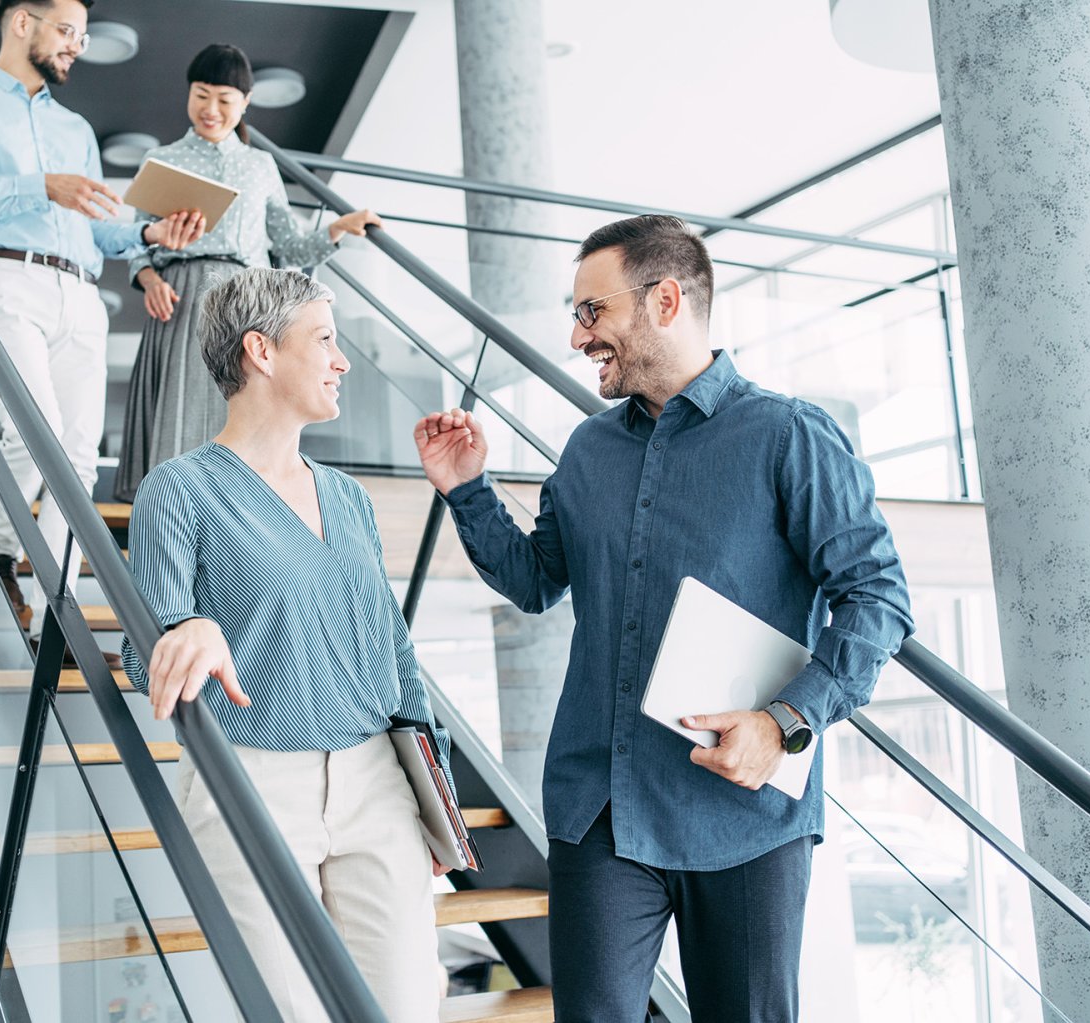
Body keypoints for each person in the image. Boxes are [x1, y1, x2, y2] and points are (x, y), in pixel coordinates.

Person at [414, 215, 914, 1022]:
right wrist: (466, 489)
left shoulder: (789, 437)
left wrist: (787, 720)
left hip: (744, 813)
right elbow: (539, 581)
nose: (579, 336)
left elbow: (878, 596)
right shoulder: (585, 451)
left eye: (592, 312)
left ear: (667, 299)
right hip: (600, 808)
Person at [122, 268, 448, 1022]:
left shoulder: (350, 496)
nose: (342, 361)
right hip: (252, 782)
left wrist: (436, 799)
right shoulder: (176, 490)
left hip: (378, 782)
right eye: (326, 340)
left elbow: (395, 652)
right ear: (260, 351)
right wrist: (188, 629)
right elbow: (149, 658)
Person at [0, 0, 203, 652]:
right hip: (5, 277)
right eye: (67, 31)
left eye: (80, 35)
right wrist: (41, 186)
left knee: (76, 456)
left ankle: (58, 615)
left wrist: (150, 232)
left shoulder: (75, 129)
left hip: (81, 293)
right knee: (32, 428)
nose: (76, 46)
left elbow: (100, 226)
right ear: (24, 22)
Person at [111, 43, 382, 502]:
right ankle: (175, 518)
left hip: (251, 303)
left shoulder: (260, 166)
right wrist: (149, 279)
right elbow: (135, 239)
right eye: (201, 95)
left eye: (224, 99)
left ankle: (242, 522)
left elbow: (290, 246)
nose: (210, 109)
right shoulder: (163, 158)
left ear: (245, 103)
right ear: (188, 93)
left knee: (245, 406)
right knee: (185, 414)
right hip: (182, 296)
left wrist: (336, 229)